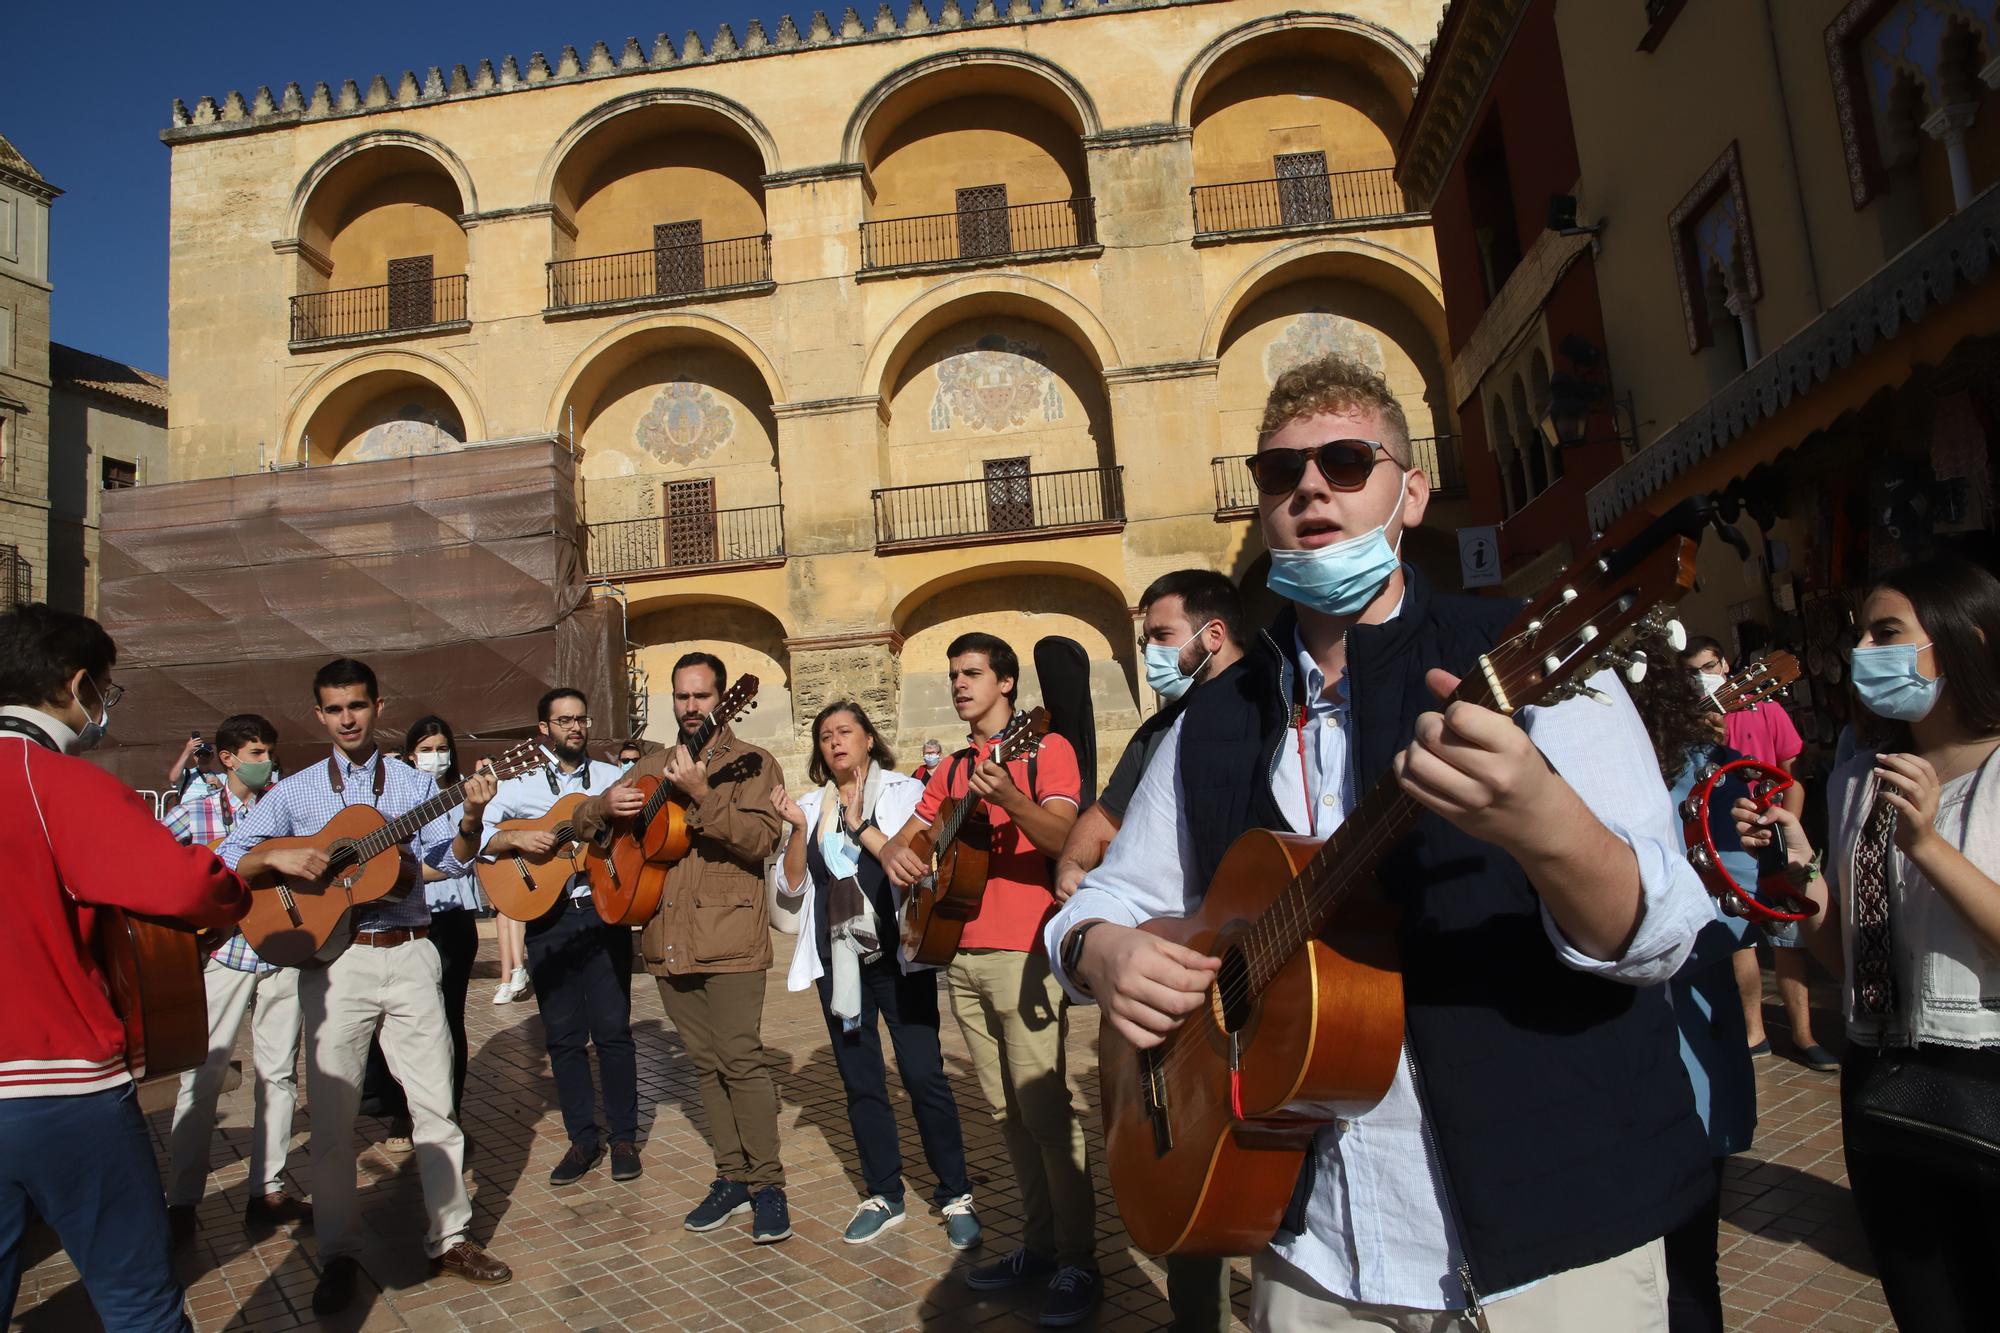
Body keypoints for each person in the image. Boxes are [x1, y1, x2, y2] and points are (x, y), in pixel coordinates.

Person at [1048, 354, 1714, 1331]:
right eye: (1280, 475)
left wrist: (1542, 822)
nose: (1310, 487)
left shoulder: (1527, 656)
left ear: (1410, 493)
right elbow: (1103, 898)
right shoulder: (1211, 719)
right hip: (1308, 1243)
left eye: (1346, 462)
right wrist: (1099, 951)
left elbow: (1655, 934)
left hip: (1545, 1243)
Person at [1735, 556, 2000, 1333]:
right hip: (1881, 1088)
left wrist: (1928, 844)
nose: (1864, 652)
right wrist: (1807, 883)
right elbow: (1851, 966)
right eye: (1862, 634)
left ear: (1964, 639)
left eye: (1887, 632)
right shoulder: (1862, 779)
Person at [219, 658, 512, 1313]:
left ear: (378, 707)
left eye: (358, 705)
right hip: (335, 962)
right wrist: (279, 854)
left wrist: (469, 815)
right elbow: (228, 856)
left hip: (409, 953)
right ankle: (339, 1252)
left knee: (435, 1104)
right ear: (320, 715)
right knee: (330, 1119)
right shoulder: (293, 791)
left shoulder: (412, 784)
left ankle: (451, 1237)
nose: (348, 717)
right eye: (335, 708)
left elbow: (453, 859)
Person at [0, 603, 251, 1331]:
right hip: (60, 1087)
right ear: (76, 684)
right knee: (139, 1302)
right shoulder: (60, 783)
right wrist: (235, 883)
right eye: (104, 689)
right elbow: (190, 886)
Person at [882, 632, 1096, 1329]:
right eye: (953, 675)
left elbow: (1066, 838)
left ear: (1007, 683)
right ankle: (1037, 1248)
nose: (959, 685)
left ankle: (1079, 1258)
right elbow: (905, 838)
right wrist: (902, 858)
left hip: (1024, 949)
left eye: (972, 673)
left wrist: (1012, 796)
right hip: (958, 950)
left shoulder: (1045, 748)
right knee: (1005, 1112)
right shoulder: (954, 766)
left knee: (1045, 1108)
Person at [1052, 569, 1246, 1332]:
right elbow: (1103, 819)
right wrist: (1076, 872)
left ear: (1213, 636)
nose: (1150, 654)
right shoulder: (1159, 731)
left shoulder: (1269, 706)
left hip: (1257, 978)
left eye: (1161, 638)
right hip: (1171, 995)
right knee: (1184, 1159)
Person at [573, 652, 789, 1242]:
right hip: (665, 936)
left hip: (731, 938)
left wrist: (701, 794)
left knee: (740, 1060)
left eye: (701, 696)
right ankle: (731, 1176)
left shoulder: (753, 764)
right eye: (681, 696)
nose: (690, 706)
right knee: (703, 1065)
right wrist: (602, 808)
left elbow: (759, 841)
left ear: (723, 698)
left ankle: (768, 1185)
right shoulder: (648, 764)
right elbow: (583, 821)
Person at [771, 701, 979, 1250]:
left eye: (845, 732)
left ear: (869, 740)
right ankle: (883, 1192)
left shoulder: (905, 794)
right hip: (838, 965)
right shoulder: (811, 806)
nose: (835, 742)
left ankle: (955, 1193)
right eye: (825, 736)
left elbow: (910, 859)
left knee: (922, 1074)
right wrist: (797, 831)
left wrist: (861, 821)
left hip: (898, 957)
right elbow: (789, 896)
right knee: (861, 1082)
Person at [1624, 626, 1760, 1333]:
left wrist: (1629, 934)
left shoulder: (1718, 773)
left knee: (1687, 1272)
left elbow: (1743, 905)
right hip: (1599, 1066)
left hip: (1686, 1057)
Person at [159, 713, 311, 1245]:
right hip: (223, 955)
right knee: (201, 1078)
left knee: (280, 1075)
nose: (266, 761)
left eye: (270, 751)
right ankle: (181, 1200)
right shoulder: (193, 815)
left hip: (281, 954)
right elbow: (154, 868)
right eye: (255, 753)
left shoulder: (288, 808)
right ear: (227, 758)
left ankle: (267, 1190)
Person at [480, 688, 637, 1187]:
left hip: (602, 911)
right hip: (547, 916)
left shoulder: (613, 778)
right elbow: (480, 840)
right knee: (564, 1037)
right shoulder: (516, 783)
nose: (575, 727)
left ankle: (625, 1137)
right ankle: (581, 1140)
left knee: (613, 1030)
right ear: (543, 728)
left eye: (581, 719)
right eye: (563, 720)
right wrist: (516, 837)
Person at [1683, 635, 1833, 1071]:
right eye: (1693, 673)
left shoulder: (1765, 708)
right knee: (1740, 943)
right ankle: (1755, 1032)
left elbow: (1793, 777)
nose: (1704, 679)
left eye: (1709, 666)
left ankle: (1805, 1036)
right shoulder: (1694, 721)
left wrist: (1788, 831)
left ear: (1726, 664)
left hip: (1771, 837)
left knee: (1790, 940)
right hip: (1720, 846)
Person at [359, 717, 485, 1148]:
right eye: (426, 748)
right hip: (405, 920)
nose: (435, 755)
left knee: (449, 1020)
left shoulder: (467, 791)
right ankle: (401, 1111)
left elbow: (472, 851)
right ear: (411, 752)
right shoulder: (399, 790)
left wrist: (475, 814)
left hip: (450, 918)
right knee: (391, 1022)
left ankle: (450, 1110)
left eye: (441, 746)